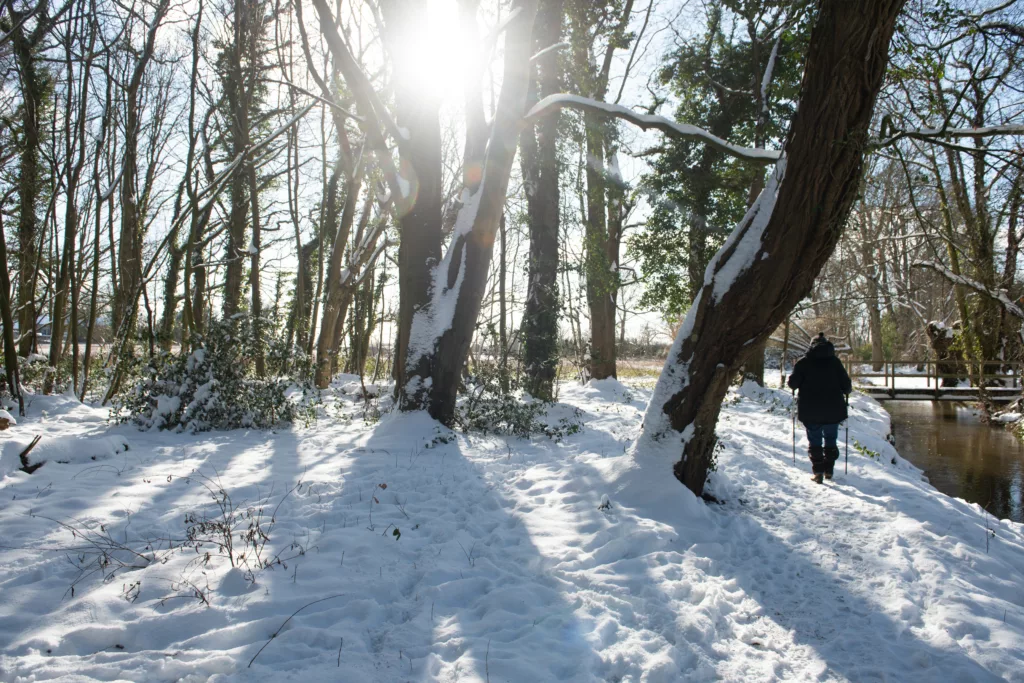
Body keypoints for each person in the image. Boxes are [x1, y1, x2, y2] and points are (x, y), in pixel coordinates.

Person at [788, 332, 852, 484]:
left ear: (811, 346)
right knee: (831, 439)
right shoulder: (835, 362)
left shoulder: (803, 362)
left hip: (810, 409)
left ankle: (818, 472)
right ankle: (829, 470)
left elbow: (793, 384)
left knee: (814, 440)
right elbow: (847, 386)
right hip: (833, 409)